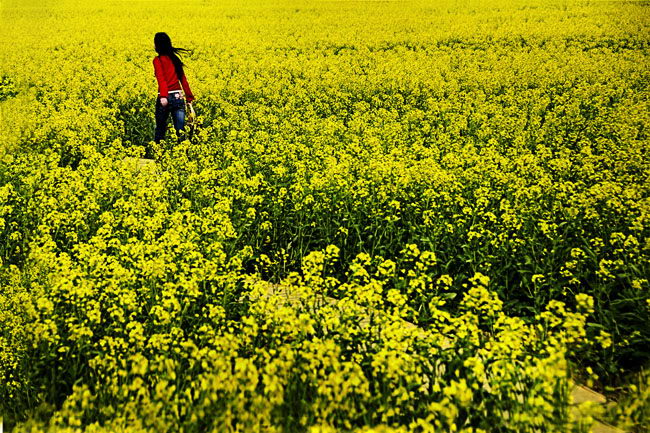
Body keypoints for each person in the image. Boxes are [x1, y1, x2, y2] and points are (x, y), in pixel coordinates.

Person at [152, 32, 195, 145]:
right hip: (179, 96)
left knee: (160, 128)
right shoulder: (174, 59)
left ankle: (159, 154)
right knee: (180, 130)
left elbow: (161, 79)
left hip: (165, 97)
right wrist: (189, 97)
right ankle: (183, 154)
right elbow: (183, 79)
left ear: (157, 46)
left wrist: (164, 96)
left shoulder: (158, 60)